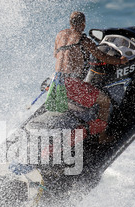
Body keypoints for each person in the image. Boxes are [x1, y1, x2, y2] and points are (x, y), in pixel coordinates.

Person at [52, 11, 128, 143]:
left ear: (70, 23)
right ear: (83, 24)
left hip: (56, 81)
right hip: (71, 84)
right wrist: (121, 61)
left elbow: (56, 55)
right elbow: (102, 56)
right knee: (104, 101)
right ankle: (101, 136)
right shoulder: (83, 40)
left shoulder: (60, 35)